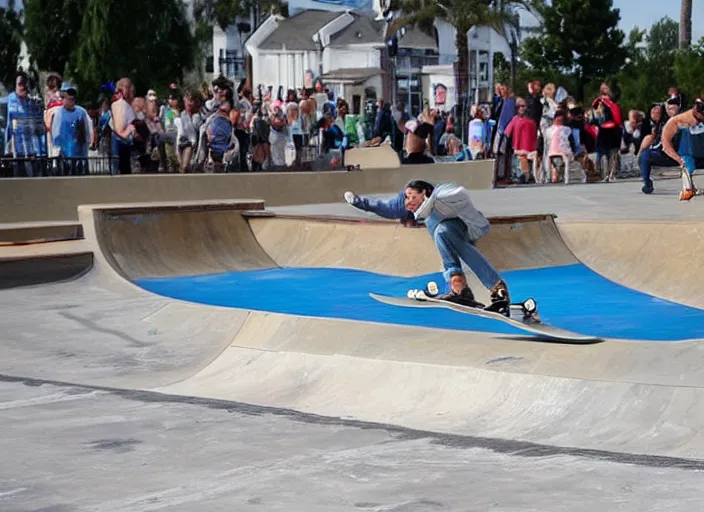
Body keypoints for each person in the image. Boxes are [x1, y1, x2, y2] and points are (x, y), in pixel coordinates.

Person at [344, 180, 511, 310]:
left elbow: (458, 192)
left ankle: (497, 287)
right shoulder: (407, 205)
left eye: (413, 197)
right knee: (440, 230)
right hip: (448, 237)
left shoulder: (440, 196)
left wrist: (447, 194)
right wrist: (358, 202)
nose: (409, 202)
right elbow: (384, 207)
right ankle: (459, 287)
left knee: (442, 230)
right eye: (407, 197)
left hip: (469, 228)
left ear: (425, 194)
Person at [659, 97, 704, 200]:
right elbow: (665, 143)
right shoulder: (678, 121)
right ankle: (688, 189)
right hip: (688, 152)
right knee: (688, 165)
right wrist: (678, 159)